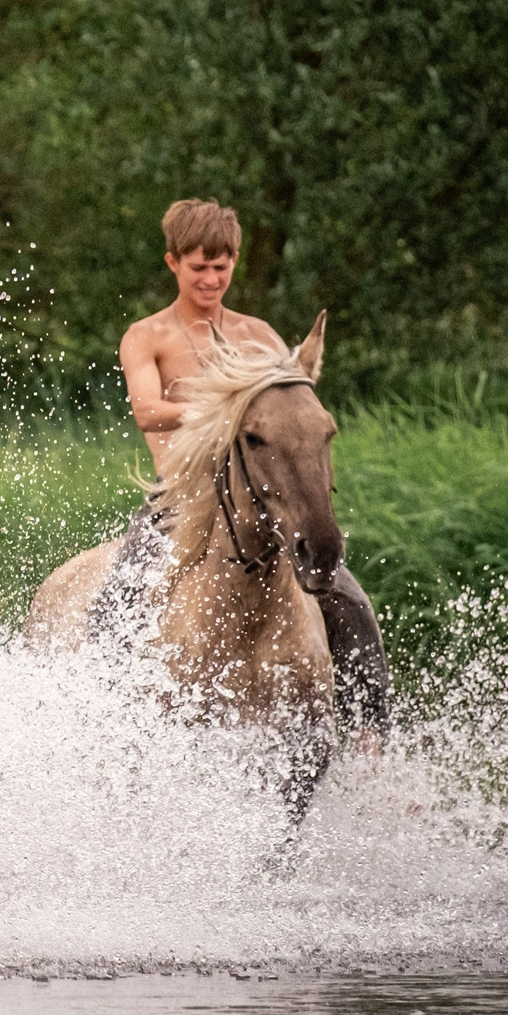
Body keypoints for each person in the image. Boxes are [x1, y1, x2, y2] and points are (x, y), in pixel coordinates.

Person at [103, 197, 390, 734]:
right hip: (178, 498)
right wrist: (222, 409)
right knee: (120, 591)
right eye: (198, 267)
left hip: (253, 497)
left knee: (347, 596)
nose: (211, 279)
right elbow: (146, 411)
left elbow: (285, 411)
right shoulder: (148, 335)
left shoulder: (258, 335)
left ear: (234, 262)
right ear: (173, 263)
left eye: (221, 266)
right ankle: (103, 711)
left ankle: (370, 734)